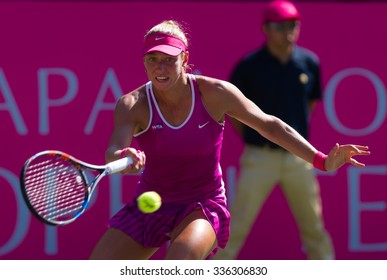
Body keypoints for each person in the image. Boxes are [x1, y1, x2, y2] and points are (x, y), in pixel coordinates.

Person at [89, 19, 370, 260]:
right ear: (144, 61)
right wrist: (124, 157)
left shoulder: (216, 93)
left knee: (177, 265)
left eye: (169, 59)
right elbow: (114, 150)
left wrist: (321, 160)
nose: (160, 68)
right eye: (153, 59)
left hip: (203, 204)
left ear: (185, 59)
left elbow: (270, 126)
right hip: (152, 202)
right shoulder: (132, 104)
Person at [214, 0, 338, 260]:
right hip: (260, 158)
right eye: (280, 26)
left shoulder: (309, 62)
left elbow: (311, 105)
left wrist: (294, 141)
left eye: (293, 25)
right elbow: (234, 113)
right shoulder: (249, 67)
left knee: (314, 228)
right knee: (234, 229)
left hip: (299, 158)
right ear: (266, 29)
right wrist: (255, 137)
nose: (288, 31)